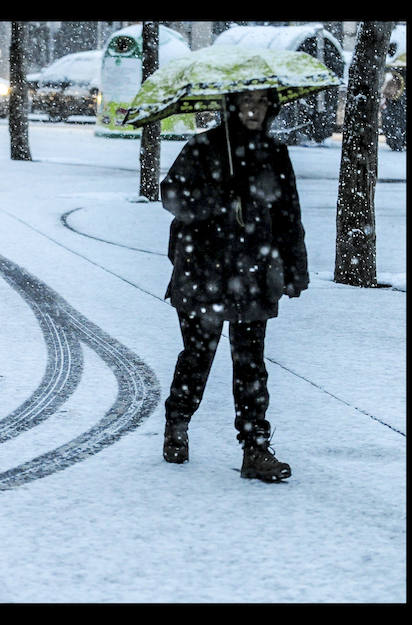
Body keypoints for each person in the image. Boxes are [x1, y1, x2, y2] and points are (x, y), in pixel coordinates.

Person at [159, 88, 309, 482]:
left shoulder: (274, 154)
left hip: (254, 275)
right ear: (232, 105)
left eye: (262, 102)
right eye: (247, 101)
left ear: (271, 107)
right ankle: (177, 421)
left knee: (251, 365)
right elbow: (171, 195)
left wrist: (294, 269)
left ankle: (255, 448)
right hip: (202, 271)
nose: (254, 109)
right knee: (197, 357)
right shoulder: (203, 147)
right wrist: (216, 197)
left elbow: (289, 215)